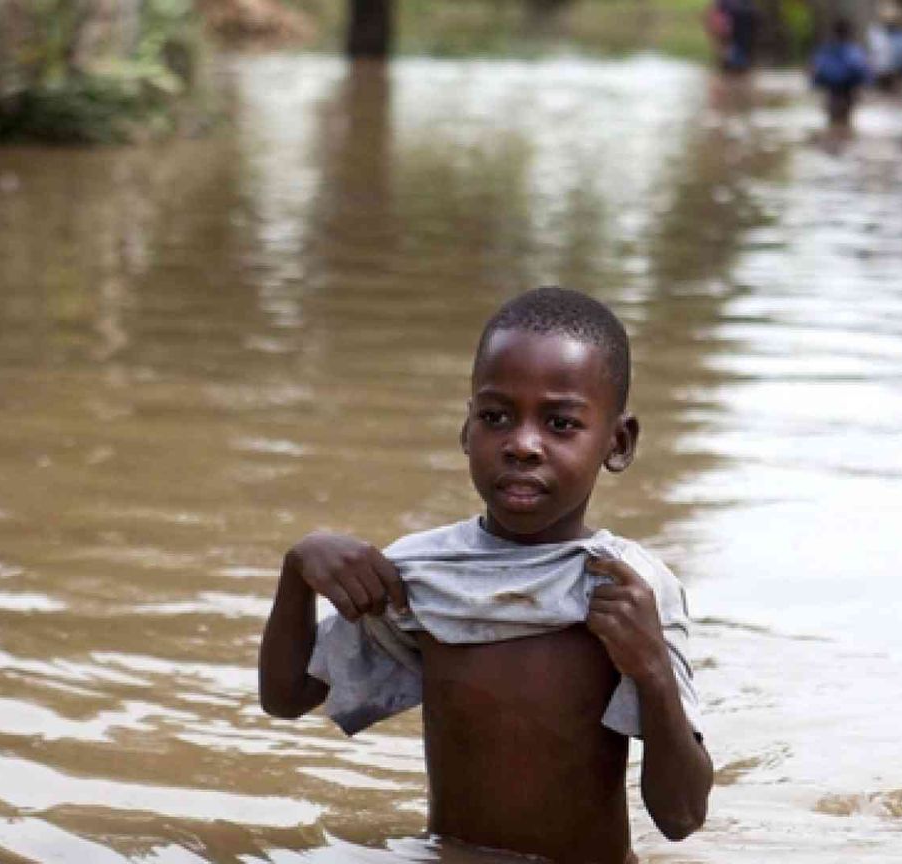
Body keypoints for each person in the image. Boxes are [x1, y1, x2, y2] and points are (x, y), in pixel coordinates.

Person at [259, 287, 713, 863]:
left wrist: (651, 670)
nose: (522, 445)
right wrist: (297, 572)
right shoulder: (424, 575)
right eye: (496, 417)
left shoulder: (627, 590)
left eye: (561, 423)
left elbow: (682, 819)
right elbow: (286, 698)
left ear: (617, 443)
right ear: (466, 430)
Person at [810, 18, 871, 128]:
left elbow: (815, 73)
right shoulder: (854, 52)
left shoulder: (825, 51)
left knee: (835, 121)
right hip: (847, 92)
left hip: (833, 92)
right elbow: (864, 73)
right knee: (843, 121)